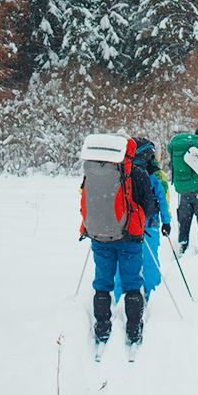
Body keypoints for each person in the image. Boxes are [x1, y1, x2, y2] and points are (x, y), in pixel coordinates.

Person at [80, 134, 157, 347]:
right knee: (132, 283)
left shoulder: (93, 171)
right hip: (130, 238)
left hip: (99, 236)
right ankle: (134, 330)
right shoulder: (138, 173)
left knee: (103, 284)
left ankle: (102, 329)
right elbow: (149, 209)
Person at [114, 137, 170, 302]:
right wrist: (166, 222)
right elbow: (163, 201)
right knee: (150, 260)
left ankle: (119, 295)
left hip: (126, 225)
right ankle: (153, 294)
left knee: (122, 260)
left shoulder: (121, 175)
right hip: (149, 225)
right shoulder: (154, 178)